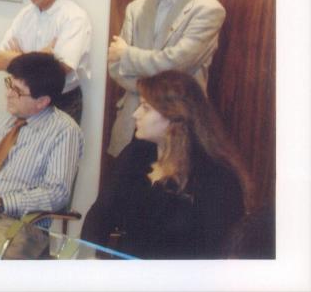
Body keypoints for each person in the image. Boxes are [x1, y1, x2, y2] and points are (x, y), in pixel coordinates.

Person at [81, 70, 247, 259]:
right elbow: (99, 215)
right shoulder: (136, 155)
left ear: (174, 115)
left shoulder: (217, 176)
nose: (135, 114)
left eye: (145, 108)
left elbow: (218, 252)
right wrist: (90, 258)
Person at [106, 0, 226, 156]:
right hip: (130, 127)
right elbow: (115, 67)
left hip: (178, 132)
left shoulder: (208, 9)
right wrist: (144, 69)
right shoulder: (137, 7)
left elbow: (177, 65)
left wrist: (127, 54)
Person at [0, 52, 83, 219]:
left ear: (42, 101)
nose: (8, 94)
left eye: (17, 91)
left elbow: (56, 193)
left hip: (13, 224)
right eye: (9, 84)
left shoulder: (64, 131)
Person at [0, 0, 91, 124]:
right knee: (20, 142)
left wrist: (19, 59)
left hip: (61, 102)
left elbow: (61, 69)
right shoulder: (24, 16)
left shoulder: (74, 17)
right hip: (24, 99)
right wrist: (42, 56)